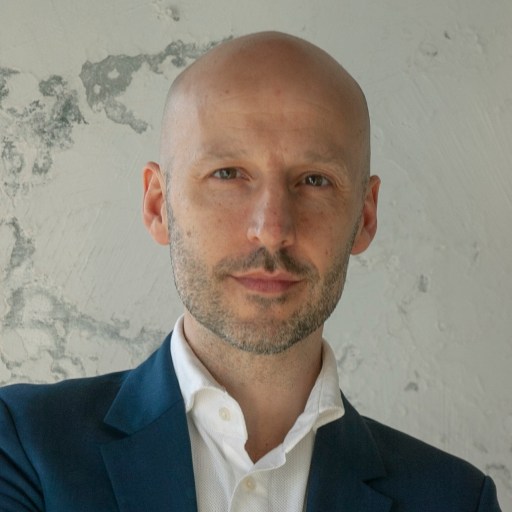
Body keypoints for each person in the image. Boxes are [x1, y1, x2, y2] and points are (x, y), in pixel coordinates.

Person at [0, 31, 501, 512]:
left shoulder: (455, 500)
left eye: (314, 180)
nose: (272, 229)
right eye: (228, 174)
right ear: (158, 205)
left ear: (365, 217)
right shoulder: (22, 447)